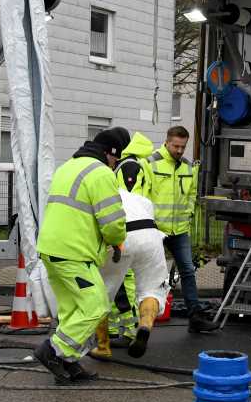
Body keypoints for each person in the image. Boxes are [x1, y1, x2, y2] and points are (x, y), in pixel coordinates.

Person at [34, 127, 129, 383]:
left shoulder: (67, 167)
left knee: (72, 309)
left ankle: (68, 363)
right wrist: (118, 242)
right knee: (96, 305)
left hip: (51, 249)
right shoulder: (101, 173)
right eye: (117, 159)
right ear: (111, 154)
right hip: (74, 253)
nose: (116, 164)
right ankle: (54, 351)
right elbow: (112, 222)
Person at [149, 126, 218, 333]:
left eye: (183, 146)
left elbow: (191, 195)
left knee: (188, 271)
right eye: (176, 146)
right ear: (166, 142)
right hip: (155, 229)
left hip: (179, 229)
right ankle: (141, 318)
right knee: (149, 274)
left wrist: (187, 214)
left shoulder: (188, 167)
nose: (179, 150)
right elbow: (144, 194)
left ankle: (195, 318)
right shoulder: (151, 164)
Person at [93, 181, 170, 359]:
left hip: (122, 237)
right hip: (151, 235)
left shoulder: (99, 196)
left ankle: (103, 346)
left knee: (101, 293)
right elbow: (150, 210)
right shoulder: (136, 198)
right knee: (152, 289)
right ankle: (144, 327)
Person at [105, 131, 157, 349]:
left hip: (128, 231)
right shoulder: (138, 164)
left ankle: (129, 331)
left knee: (124, 283)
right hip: (142, 229)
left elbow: (128, 202)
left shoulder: (128, 166)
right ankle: (121, 329)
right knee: (126, 282)